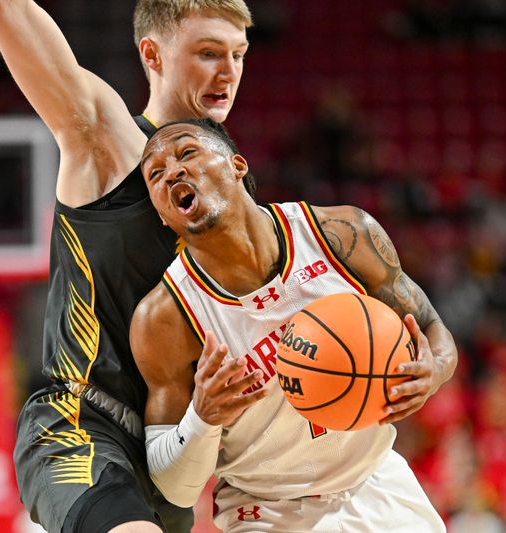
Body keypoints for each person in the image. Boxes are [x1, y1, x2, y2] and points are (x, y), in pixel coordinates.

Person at [0, 1, 252, 532]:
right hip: (82, 421)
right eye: (209, 52)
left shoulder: (236, 192)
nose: (229, 71)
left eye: (238, 54)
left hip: (170, 450)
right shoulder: (106, 139)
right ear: (153, 54)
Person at [130, 118, 457, 532]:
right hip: (266, 510)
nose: (172, 171)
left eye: (187, 152)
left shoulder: (341, 234)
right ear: (162, 215)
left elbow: (430, 326)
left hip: (376, 480)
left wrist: (433, 373)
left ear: (237, 165)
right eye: (155, 174)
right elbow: (175, 490)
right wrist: (202, 417)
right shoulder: (165, 317)